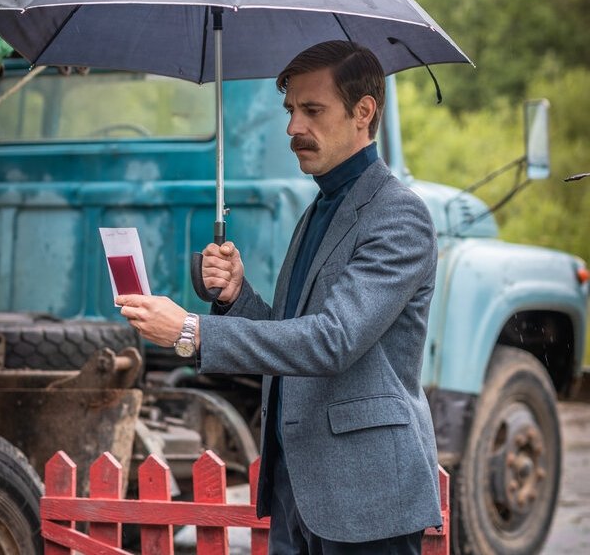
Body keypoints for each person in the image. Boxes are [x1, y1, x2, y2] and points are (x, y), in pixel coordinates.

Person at [116, 40, 442, 554]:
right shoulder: (319, 210)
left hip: (366, 500)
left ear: (363, 112)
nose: (293, 127)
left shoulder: (398, 216)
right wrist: (235, 297)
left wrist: (191, 332)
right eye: (290, 110)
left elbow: (332, 342)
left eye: (312, 110)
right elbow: (288, 338)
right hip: (296, 492)